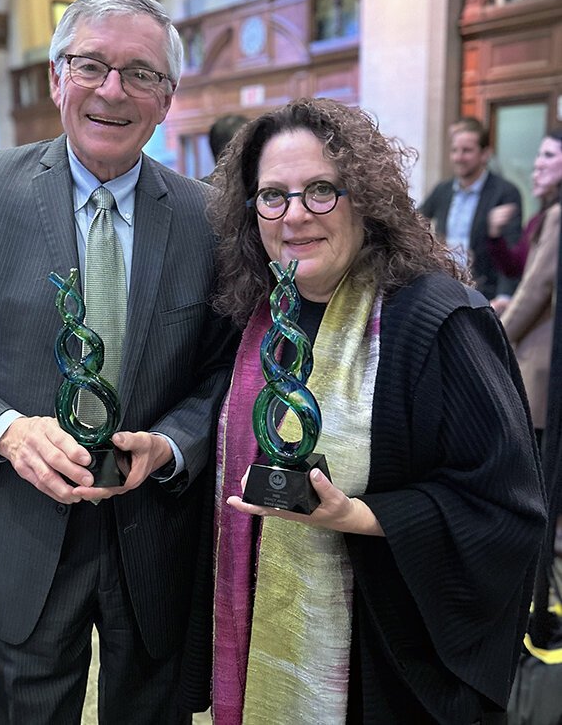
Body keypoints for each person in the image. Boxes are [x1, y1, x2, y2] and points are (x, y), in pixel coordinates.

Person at [0, 0, 236, 724]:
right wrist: (6, 430)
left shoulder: (207, 219)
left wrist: (172, 443)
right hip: (13, 535)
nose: (113, 90)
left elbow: (222, 374)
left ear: (167, 98)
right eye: (92, 65)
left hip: (152, 542)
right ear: (54, 77)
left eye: (141, 73)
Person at [207, 98, 546, 723]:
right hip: (264, 636)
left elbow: (507, 507)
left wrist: (362, 516)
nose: (295, 216)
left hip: (389, 666)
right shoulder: (257, 323)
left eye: (320, 191)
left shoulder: (437, 320)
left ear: (364, 196)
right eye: (273, 196)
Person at [487, 129, 562, 444]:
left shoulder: (557, 215)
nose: (538, 165)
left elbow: (535, 288)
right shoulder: (544, 215)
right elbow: (519, 268)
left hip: (540, 352)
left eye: (548, 156)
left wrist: (496, 337)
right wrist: (494, 235)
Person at [420, 117, 522, 302]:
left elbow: (511, 249)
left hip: (485, 293)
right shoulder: (443, 189)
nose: (459, 157)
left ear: (485, 154)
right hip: (445, 287)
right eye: (454, 151)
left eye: (466, 151)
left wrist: (504, 296)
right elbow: (415, 221)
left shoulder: (505, 192)